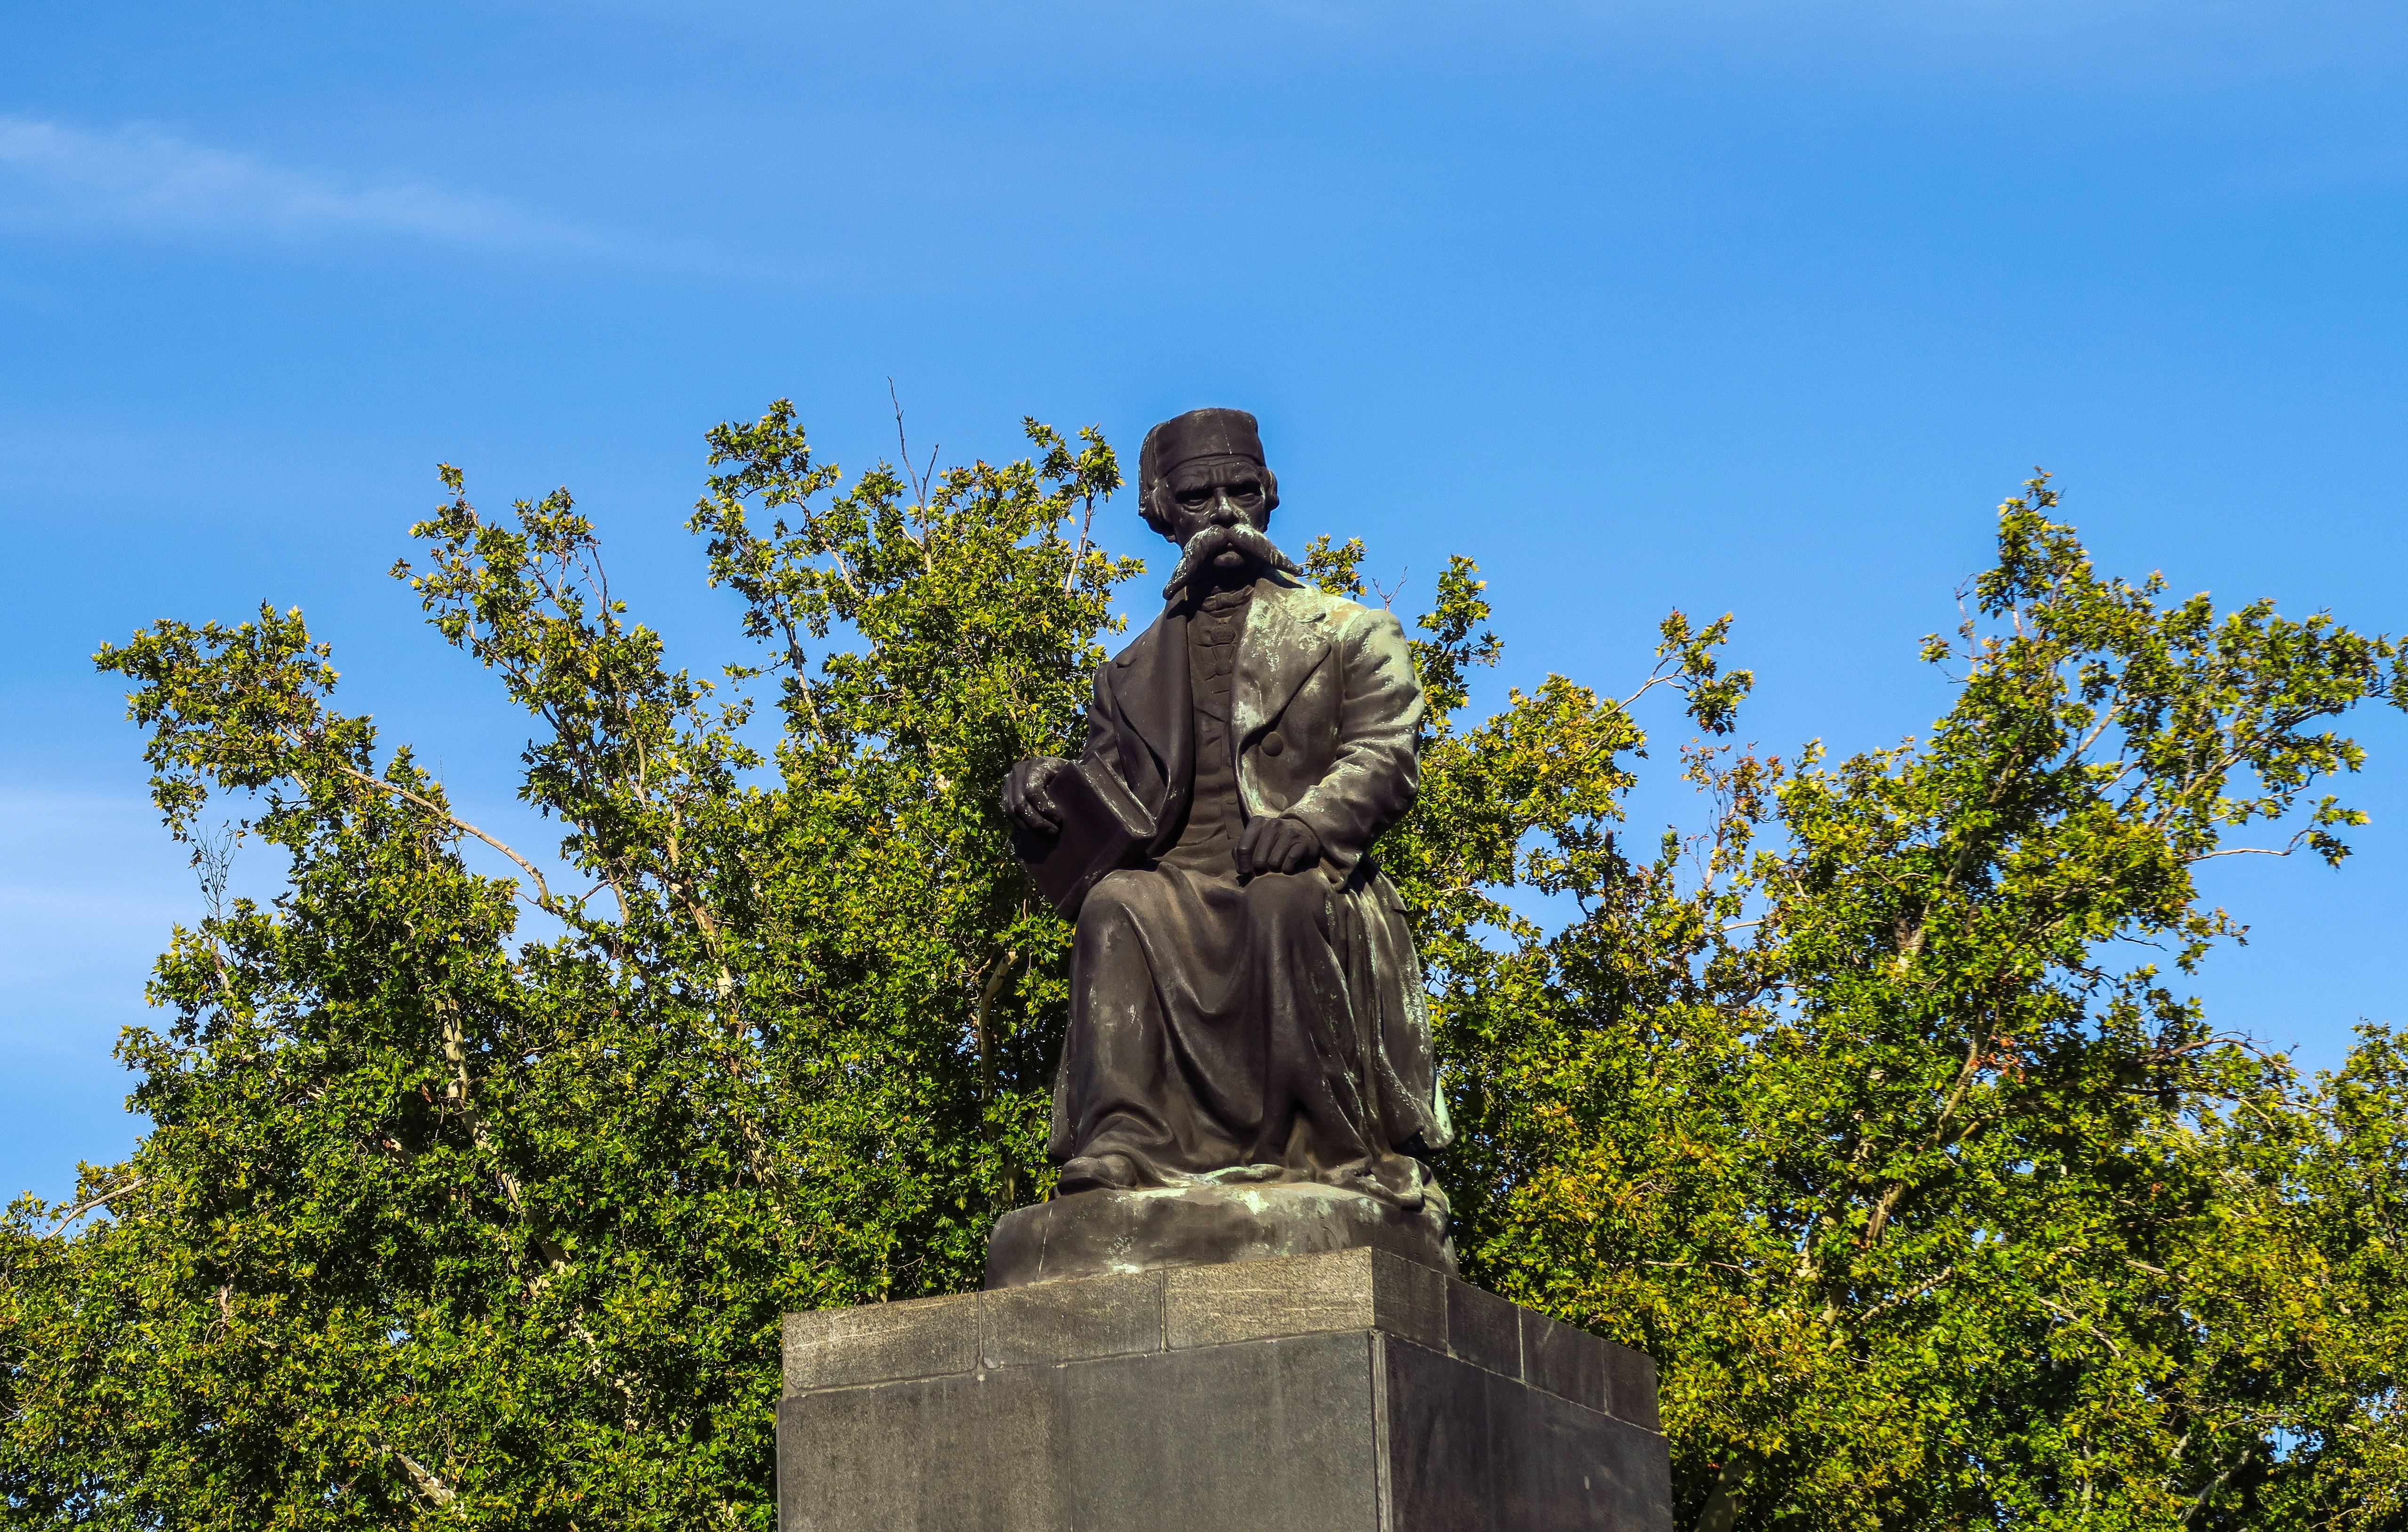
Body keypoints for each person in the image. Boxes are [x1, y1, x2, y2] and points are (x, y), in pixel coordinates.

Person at [1003, 407, 1450, 1225]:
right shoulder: (1125, 673)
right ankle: (1124, 1138)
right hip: (1179, 881)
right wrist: (1041, 787)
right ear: (1158, 510)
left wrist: (1313, 824)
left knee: (1282, 895)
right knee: (1115, 907)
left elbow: (1386, 753)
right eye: (1198, 494)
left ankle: (1331, 1145)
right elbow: (1111, 796)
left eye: (1242, 489)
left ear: (1271, 493)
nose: (1224, 512)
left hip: (1307, 874)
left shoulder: (1353, 632)